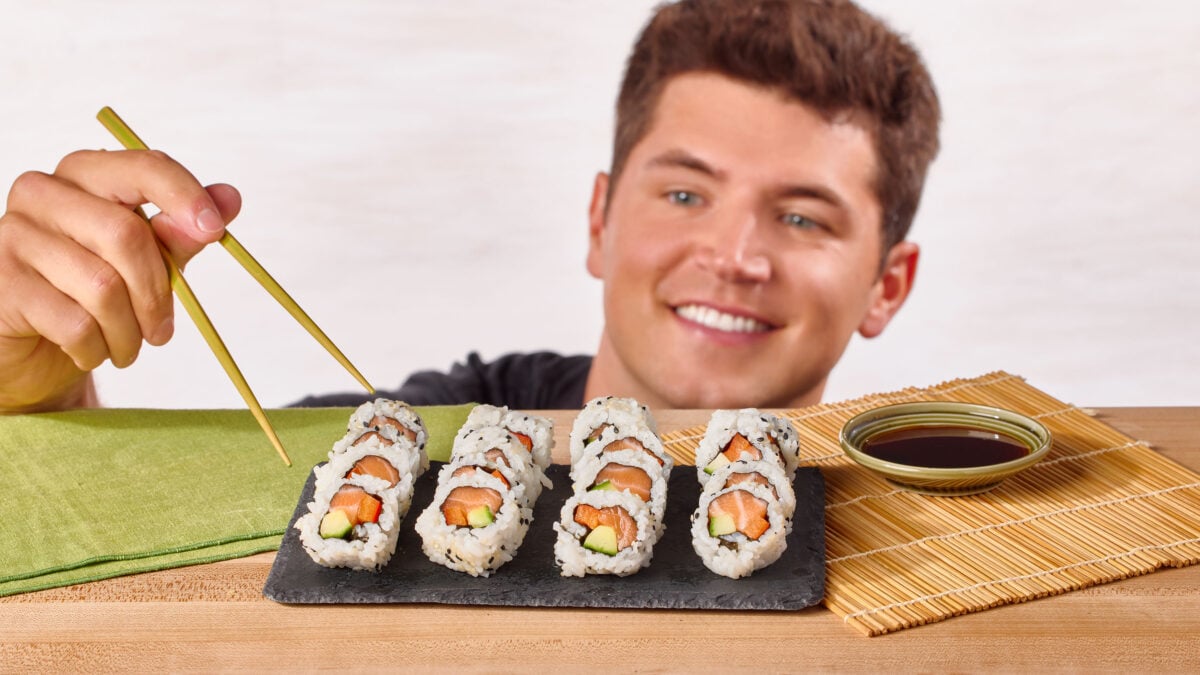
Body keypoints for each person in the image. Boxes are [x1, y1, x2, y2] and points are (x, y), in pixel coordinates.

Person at [0, 0, 939, 414]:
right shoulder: (405, 445)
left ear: (885, 286)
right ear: (598, 223)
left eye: (804, 216)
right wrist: (32, 389)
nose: (734, 254)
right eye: (685, 192)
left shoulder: (937, 545)